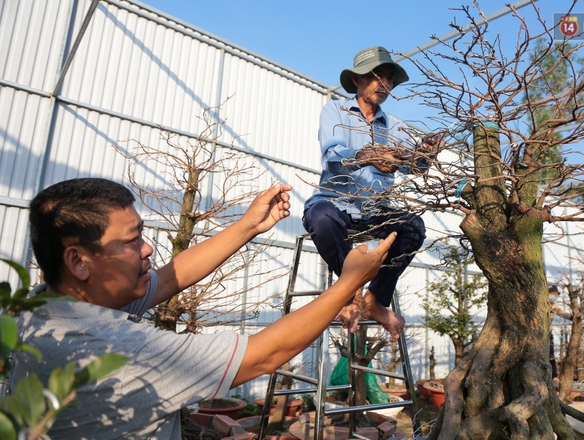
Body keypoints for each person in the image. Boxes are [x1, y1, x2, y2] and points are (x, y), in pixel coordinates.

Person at [11, 177, 395, 439]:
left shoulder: (36, 311)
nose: (146, 248)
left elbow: (170, 277)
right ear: (78, 261)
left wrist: (247, 226)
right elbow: (263, 356)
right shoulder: (115, 349)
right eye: (131, 241)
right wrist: (349, 283)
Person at [303, 46, 442, 339]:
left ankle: (373, 300)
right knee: (321, 217)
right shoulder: (336, 111)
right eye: (378, 76)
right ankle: (349, 293)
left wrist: (426, 154)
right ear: (357, 80)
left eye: (390, 79)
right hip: (335, 203)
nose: (385, 84)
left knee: (413, 226)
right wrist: (366, 154)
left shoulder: (396, 128)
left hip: (375, 211)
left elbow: (413, 166)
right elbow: (332, 155)